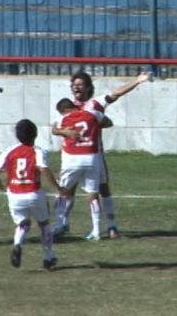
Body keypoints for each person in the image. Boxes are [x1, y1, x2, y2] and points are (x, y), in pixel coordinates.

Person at [51, 71, 153, 239]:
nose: (76, 87)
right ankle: (63, 224)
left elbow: (116, 93)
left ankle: (111, 226)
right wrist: (64, 132)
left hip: (93, 153)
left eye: (80, 84)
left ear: (88, 87)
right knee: (69, 190)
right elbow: (56, 128)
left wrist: (137, 80)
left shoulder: (95, 103)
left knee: (102, 189)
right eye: (74, 85)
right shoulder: (66, 106)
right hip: (71, 155)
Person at [0, 119, 64, 270]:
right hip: (33, 193)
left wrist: (1, 185)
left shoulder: (9, 151)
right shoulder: (38, 151)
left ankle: (17, 244)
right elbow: (43, 169)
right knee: (44, 224)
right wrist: (58, 189)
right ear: (35, 134)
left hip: (14, 194)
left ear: (17, 135)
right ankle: (48, 257)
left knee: (22, 224)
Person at [53, 97, 106, 241]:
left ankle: (60, 225)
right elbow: (108, 123)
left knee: (61, 191)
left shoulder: (63, 119)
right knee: (92, 194)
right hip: (91, 157)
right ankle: (96, 230)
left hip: (72, 158)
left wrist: (64, 132)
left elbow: (54, 129)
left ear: (64, 110)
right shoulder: (94, 114)